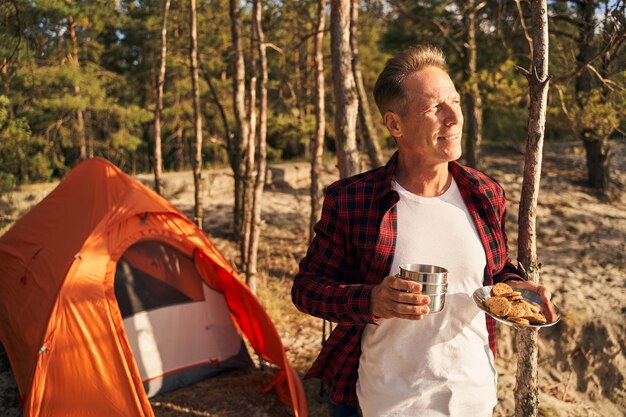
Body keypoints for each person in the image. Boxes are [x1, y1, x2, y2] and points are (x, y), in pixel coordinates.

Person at [291, 44, 556, 417]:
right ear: (395, 124)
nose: (454, 117)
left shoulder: (484, 194)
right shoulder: (352, 200)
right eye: (435, 108)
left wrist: (518, 288)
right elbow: (306, 290)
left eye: (455, 102)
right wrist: (371, 300)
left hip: (473, 396)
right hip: (383, 402)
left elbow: (492, 275)